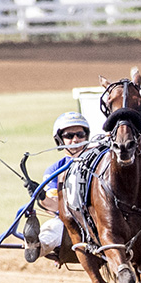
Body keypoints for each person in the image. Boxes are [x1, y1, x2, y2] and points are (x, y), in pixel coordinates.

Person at [23, 111, 91, 263]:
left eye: (80, 134)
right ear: (60, 140)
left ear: (87, 136)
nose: (75, 140)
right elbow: (54, 205)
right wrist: (41, 195)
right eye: (69, 136)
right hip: (68, 221)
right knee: (51, 230)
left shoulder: (100, 163)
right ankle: (36, 246)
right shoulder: (54, 171)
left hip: (100, 219)